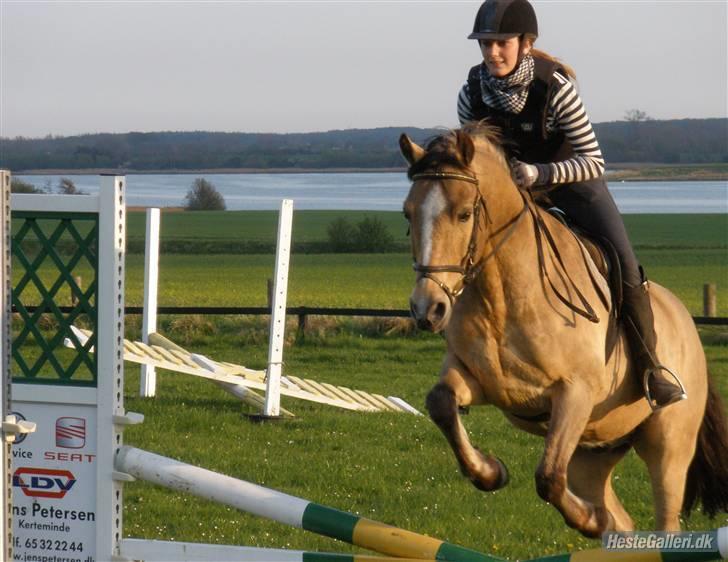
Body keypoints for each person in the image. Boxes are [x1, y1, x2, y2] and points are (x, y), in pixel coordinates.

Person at [456, 0, 686, 410]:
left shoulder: (556, 89)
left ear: (526, 44)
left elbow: (593, 160)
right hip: (514, 194)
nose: (491, 53)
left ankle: (653, 369)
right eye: (485, 44)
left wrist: (540, 175)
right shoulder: (471, 93)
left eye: (501, 43)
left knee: (624, 265)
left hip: (574, 186)